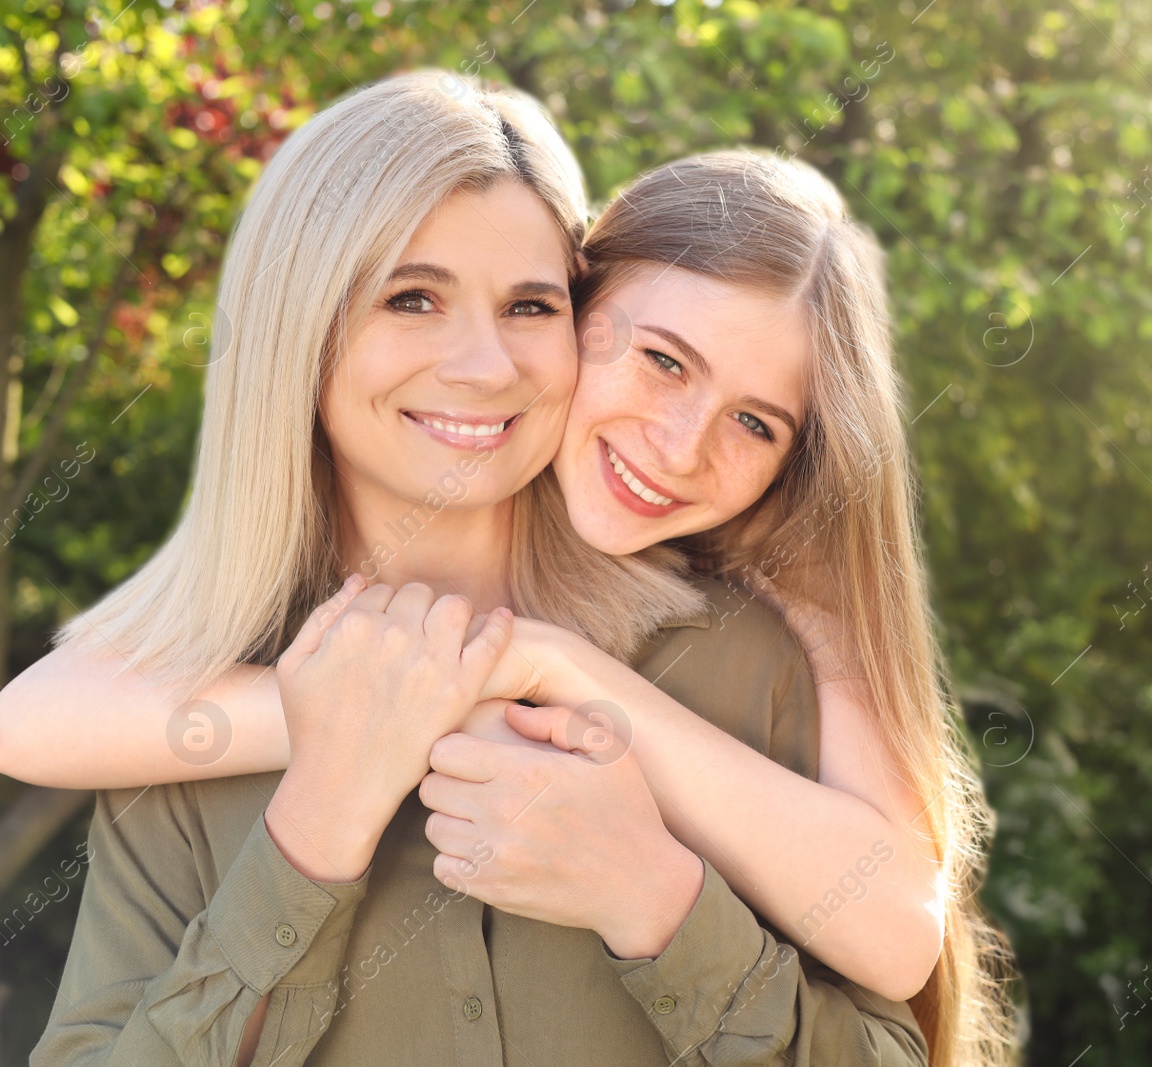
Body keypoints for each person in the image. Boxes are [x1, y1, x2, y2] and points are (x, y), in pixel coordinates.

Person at [7, 76, 1018, 1067]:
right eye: (411, 297)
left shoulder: (749, 658)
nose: (485, 365)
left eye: (528, 305)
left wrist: (659, 899)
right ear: (296, 327)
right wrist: (318, 809)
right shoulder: (177, 727)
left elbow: (895, 982)